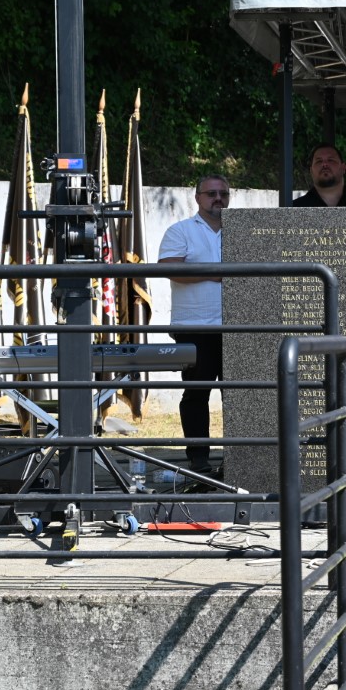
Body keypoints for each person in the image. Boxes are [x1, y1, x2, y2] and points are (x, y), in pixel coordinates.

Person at [158, 174, 228, 472]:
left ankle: (241, 460)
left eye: (223, 193)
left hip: (238, 328)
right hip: (195, 327)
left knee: (241, 395)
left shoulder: (243, 232)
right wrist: (216, 272)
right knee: (197, 394)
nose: (218, 198)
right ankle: (198, 461)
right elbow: (170, 268)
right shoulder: (181, 231)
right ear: (197, 197)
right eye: (211, 193)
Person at [292, 143, 346, 207]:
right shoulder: (295, 210)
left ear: (343, 168)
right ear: (311, 170)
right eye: (319, 161)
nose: (324, 164)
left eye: (331, 160)